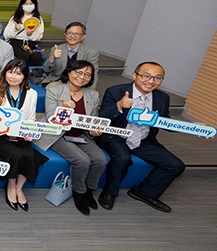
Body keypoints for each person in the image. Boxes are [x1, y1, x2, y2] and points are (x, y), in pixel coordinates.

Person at [95, 62, 187, 213]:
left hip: (143, 139)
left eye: (157, 78)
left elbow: (166, 123)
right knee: (123, 158)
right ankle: (109, 192)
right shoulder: (115, 91)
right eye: (146, 76)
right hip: (115, 135)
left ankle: (144, 192)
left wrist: (194, 127)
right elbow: (103, 117)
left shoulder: (162, 97)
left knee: (176, 165)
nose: (151, 81)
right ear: (135, 75)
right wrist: (119, 105)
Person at [38, 61, 107, 215]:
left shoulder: (93, 95)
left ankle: (90, 189)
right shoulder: (55, 90)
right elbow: (50, 117)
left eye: (87, 74)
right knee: (82, 160)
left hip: (80, 134)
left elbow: (91, 119)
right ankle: (79, 192)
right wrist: (63, 110)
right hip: (56, 132)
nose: (82, 77)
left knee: (100, 160)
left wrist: (93, 131)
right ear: (69, 72)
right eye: (78, 72)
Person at [0, 59, 48, 212]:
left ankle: (19, 188)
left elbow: (31, 118)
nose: (13, 76)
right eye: (10, 72)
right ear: (5, 72)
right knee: (15, 154)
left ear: (24, 76)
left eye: (18, 73)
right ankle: (11, 186)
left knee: (30, 156)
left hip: (19, 133)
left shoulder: (31, 94)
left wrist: (28, 132)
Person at [42, 22, 99, 89]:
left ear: (83, 36)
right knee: (52, 88)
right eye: (70, 33)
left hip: (79, 83)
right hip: (59, 81)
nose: (72, 36)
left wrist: (90, 92)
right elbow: (46, 69)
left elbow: (93, 74)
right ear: (65, 34)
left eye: (77, 33)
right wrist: (52, 58)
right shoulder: (56, 49)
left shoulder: (91, 52)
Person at [4, 0, 45, 66]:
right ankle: (21, 74)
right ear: (22, 5)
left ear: (35, 5)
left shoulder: (38, 19)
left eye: (31, 3)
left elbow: (39, 36)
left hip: (30, 43)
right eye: (26, 3)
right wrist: (15, 29)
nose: (28, 5)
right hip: (16, 43)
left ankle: (32, 74)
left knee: (37, 57)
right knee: (24, 56)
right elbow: (6, 34)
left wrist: (31, 34)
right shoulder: (15, 17)